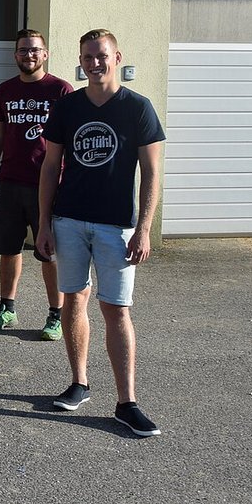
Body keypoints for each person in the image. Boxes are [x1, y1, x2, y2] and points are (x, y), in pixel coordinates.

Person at [36, 28, 166, 437]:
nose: (95, 63)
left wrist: (144, 229)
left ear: (116, 57)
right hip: (69, 221)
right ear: (80, 61)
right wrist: (44, 223)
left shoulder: (138, 108)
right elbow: (49, 168)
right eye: (88, 57)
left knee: (116, 309)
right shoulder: (68, 107)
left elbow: (152, 173)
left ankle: (127, 403)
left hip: (117, 227)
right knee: (74, 300)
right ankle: (79, 383)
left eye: (102, 56)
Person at [0, 29, 72, 339]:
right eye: (23, 50)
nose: (28, 55)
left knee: (49, 252)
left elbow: (71, 140)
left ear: (45, 54)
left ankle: (56, 314)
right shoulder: (5, 90)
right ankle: (7, 308)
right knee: (8, 249)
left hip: (47, 185)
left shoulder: (61, 90)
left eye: (34, 50)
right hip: (10, 181)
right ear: (15, 55)